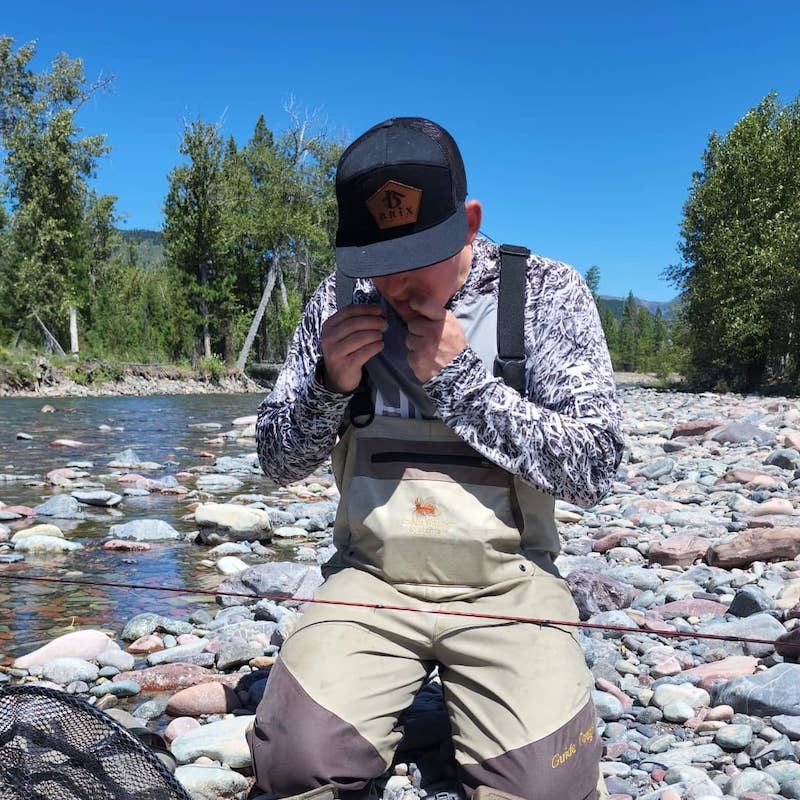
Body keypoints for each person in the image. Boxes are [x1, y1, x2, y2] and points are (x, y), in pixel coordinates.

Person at [247, 117, 624, 800]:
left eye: (415, 256)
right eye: (375, 263)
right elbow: (274, 459)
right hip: (371, 583)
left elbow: (595, 467)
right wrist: (329, 388)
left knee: (546, 790)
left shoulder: (545, 294)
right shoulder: (336, 302)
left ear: (470, 223)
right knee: (295, 767)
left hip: (510, 586)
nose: (393, 285)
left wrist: (462, 384)